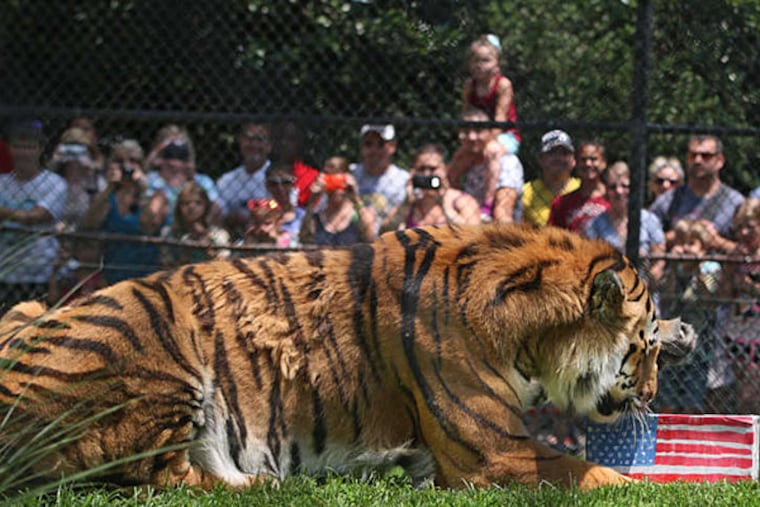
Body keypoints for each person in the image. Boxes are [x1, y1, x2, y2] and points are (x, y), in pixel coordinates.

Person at [655, 219, 722, 414]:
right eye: (681, 242)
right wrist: (677, 269)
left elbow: (709, 300)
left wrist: (697, 268)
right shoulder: (673, 268)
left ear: (703, 249)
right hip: (671, 340)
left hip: (699, 343)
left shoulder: (711, 268)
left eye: (691, 243)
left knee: (692, 401)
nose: (685, 248)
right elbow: (667, 299)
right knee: (667, 399)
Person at [0, 120, 67, 309]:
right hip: (3, 271)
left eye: (29, 147)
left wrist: (4, 213)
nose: (22, 153)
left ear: (39, 150)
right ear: (10, 149)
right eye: (17, 147)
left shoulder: (54, 183)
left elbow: (35, 216)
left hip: (37, 273)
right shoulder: (2, 182)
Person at [81, 138, 167, 284]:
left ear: (142, 164)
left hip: (146, 278)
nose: (126, 166)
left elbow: (149, 227)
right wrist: (109, 188)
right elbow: (89, 223)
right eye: (119, 161)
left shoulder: (155, 193)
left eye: (133, 161)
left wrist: (143, 189)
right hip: (111, 275)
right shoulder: (107, 194)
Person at [649, 134, 744, 253]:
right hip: (674, 269)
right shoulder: (668, 200)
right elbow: (645, 242)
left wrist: (717, 241)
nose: (698, 160)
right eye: (692, 155)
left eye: (706, 156)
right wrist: (675, 237)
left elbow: (748, 251)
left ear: (720, 161)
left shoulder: (735, 202)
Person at [583, 161, 666, 282]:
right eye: (613, 187)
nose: (619, 191)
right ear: (606, 190)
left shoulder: (649, 220)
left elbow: (660, 261)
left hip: (644, 288)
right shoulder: (594, 225)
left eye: (624, 186)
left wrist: (643, 286)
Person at [718, 198, 760, 414]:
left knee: (749, 396)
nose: (743, 233)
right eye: (739, 227)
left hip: (757, 335)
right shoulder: (737, 255)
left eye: (750, 227)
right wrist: (729, 268)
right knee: (733, 393)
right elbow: (724, 295)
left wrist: (748, 286)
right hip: (735, 334)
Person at [448, 107, 524, 223]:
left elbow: (503, 212)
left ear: (489, 132)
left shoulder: (507, 162)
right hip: (469, 223)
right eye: (466, 131)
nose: (471, 137)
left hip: (496, 228)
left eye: (478, 131)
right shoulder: (464, 159)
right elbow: (446, 187)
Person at [382, 144, 481, 232]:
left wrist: (444, 205)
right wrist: (406, 203)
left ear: (445, 169)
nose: (427, 174)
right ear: (413, 172)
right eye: (421, 169)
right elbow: (384, 231)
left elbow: (474, 234)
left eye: (433, 169)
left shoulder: (461, 201)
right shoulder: (409, 205)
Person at [144, 124, 222, 226]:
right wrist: (157, 152)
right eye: (171, 148)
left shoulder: (202, 181)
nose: (175, 153)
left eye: (181, 149)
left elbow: (217, 213)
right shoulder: (150, 179)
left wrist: (191, 175)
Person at [461, 34, 520, 154]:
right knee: (460, 157)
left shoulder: (502, 84)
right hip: (476, 135)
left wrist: (485, 142)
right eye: (475, 60)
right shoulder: (469, 85)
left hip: (505, 134)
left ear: (497, 64)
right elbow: (465, 114)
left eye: (485, 60)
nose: (479, 65)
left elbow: (500, 118)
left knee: (490, 152)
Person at [300, 156, 377, 246]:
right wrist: (312, 200)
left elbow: (370, 238)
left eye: (339, 180)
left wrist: (356, 199)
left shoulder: (358, 214)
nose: (336, 189)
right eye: (330, 179)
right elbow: (304, 238)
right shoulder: (317, 217)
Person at [217, 122, 273, 240]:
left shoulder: (279, 179)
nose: (253, 144)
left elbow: (278, 210)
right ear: (241, 141)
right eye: (249, 138)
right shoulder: (227, 180)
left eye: (260, 139)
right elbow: (218, 215)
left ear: (269, 146)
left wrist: (243, 217)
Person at [350, 124, 408, 231]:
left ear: (393, 146)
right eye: (368, 144)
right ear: (362, 147)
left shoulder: (402, 179)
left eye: (380, 144)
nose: (374, 150)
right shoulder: (351, 173)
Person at [160, 181, 230, 268]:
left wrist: (208, 249)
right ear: (179, 207)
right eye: (186, 203)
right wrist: (186, 253)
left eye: (198, 203)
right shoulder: (169, 232)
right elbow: (166, 267)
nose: (191, 207)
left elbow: (224, 265)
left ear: (206, 206)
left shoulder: (219, 234)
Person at [49, 126, 105, 231]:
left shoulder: (97, 182)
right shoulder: (52, 180)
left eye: (79, 148)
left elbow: (99, 217)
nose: (74, 155)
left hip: (86, 234)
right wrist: (54, 162)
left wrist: (91, 168)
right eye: (69, 148)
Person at [522, 129, 581, 227]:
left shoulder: (582, 188)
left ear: (573, 160)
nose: (558, 158)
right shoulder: (526, 192)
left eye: (564, 153)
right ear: (541, 159)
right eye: (552, 153)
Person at [548, 140, 609, 233]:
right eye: (583, 159)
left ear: (603, 163)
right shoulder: (561, 204)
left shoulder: (614, 199)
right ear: (576, 163)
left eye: (593, 159)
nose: (588, 164)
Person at [271, 121, 319, 208]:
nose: (284, 143)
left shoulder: (312, 176)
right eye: (280, 138)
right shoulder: (266, 171)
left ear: (300, 143)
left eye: (291, 139)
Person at [265, 162, 305, 243]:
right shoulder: (261, 214)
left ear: (294, 184)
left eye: (286, 182)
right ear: (267, 186)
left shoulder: (303, 216)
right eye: (274, 183)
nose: (280, 188)